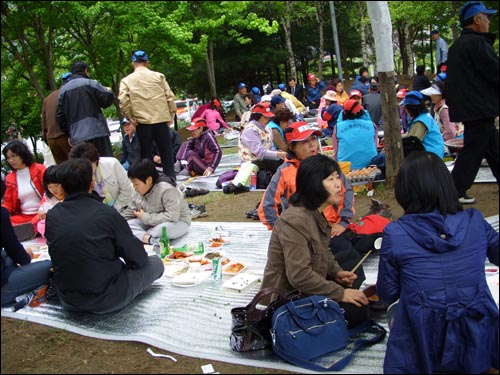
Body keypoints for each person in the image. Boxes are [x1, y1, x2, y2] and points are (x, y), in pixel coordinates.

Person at [376, 151, 499, 374]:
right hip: (477, 334)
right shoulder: (475, 222)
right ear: (446, 185)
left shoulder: (396, 233)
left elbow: (388, 293)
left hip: (422, 336)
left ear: (404, 191)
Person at [260, 154, 369, 328]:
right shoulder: (295, 220)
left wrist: (336, 272)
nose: (338, 185)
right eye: (331, 179)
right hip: (288, 296)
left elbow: (323, 249)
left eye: (337, 178)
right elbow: (299, 276)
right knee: (356, 311)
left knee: (351, 259)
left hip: (308, 279)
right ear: (314, 184)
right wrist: (340, 293)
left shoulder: (315, 212)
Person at [45, 158, 164, 314]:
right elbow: (138, 258)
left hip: (69, 300)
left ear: (62, 188)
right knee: (155, 263)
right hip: (107, 298)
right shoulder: (105, 213)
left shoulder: (52, 215)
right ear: (91, 184)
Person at [447, 1, 498, 204]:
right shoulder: (476, 44)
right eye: (487, 17)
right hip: (479, 108)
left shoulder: (458, 46)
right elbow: (495, 73)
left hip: (471, 108)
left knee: (493, 148)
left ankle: (454, 190)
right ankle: (453, 191)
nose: (489, 22)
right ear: (477, 20)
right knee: (474, 150)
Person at [118, 50, 177, 184]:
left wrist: (131, 117)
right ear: (147, 62)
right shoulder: (159, 76)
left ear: (133, 63)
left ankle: (150, 183)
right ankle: (171, 180)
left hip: (142, 121)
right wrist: (171, 114)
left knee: (146, 156)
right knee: (166, 153)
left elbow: (123, 101)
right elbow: (169, 96)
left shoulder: (126, 80)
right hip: (161, 119)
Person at [1, 177, 52, 307]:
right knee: (51, 266)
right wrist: (26, 260)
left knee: (7, 256)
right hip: (4, 288)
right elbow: (12, 245)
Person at [122, 159, 191, 244]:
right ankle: (150, 239)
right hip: (151, 223)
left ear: (149, 180)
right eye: (133, 184)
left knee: (161, 230)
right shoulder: (138, 191)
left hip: (178, 222)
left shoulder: (166, 189)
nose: (134, 188)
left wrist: (145, 217)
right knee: (127, 225)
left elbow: (172, 216)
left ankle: (145, 237)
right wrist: (115, 220)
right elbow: (131, 210)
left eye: (136, 184)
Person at [56, 61, 115, 157]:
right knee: (105, 162)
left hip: (77, 136)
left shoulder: (63, 91)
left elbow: (59, 116)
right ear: (85, 71)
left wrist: (69, 132)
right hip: (97, 131)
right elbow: (106, 100)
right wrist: (109, 91)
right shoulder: (91, 83)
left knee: (85, 167)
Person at [68, 142, 133, 214]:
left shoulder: (112, 164)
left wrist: (114, 210)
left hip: (124, 207)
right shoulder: (76, 175)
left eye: (88, 166)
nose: (86, 170)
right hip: (99, 214)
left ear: (95, 160)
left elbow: (127, 189)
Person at [2, 141, 46, 236]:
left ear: (22, 154)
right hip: (23, 217)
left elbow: (48, 192)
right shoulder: (9, 178)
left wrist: (43, 207)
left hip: (42, 213)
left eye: (14, 156)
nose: (11, 160)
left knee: (41, 222)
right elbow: (8, 202)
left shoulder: (40, 169)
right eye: (8, 158)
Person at [238, 102, 287, 171]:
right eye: (265, 117)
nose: (267, 119)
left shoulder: (267, 129)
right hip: (251, 166)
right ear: (257, 116)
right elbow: (260, 152)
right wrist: (281, 154)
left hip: (265, 162)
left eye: (268, 117)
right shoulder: (250, 130)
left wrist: (281, 155)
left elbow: (271, 148)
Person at [333, 99, 380, 170]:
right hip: (371, 166)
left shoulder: (338, 127)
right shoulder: (371, 125)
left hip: (346, 167)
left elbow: (336, 151)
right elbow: (375, 145)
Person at [400, 91, 445, 158]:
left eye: (406, 107)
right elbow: (410, 134)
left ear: (411, 108)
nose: (405, 110)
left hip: (431, 157)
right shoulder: (425, 116)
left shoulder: (420, 122)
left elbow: (412, 142)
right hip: (436, 152)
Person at [41, 72, 72, 164]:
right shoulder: (68, 94)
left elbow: (43, 122)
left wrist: (47, 138)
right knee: (76, 167)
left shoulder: (48, 98)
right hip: (65, 137)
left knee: (62, 170)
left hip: (51, 139)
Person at [36, 165, 65, 238]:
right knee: (41, 225)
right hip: (53, 222)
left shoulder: (69, 195)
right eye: (50, 187)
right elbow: (42, 206)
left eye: (56, 186)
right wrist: (41, 210)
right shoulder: (48, 196)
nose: (54, 190)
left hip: (66, 220)